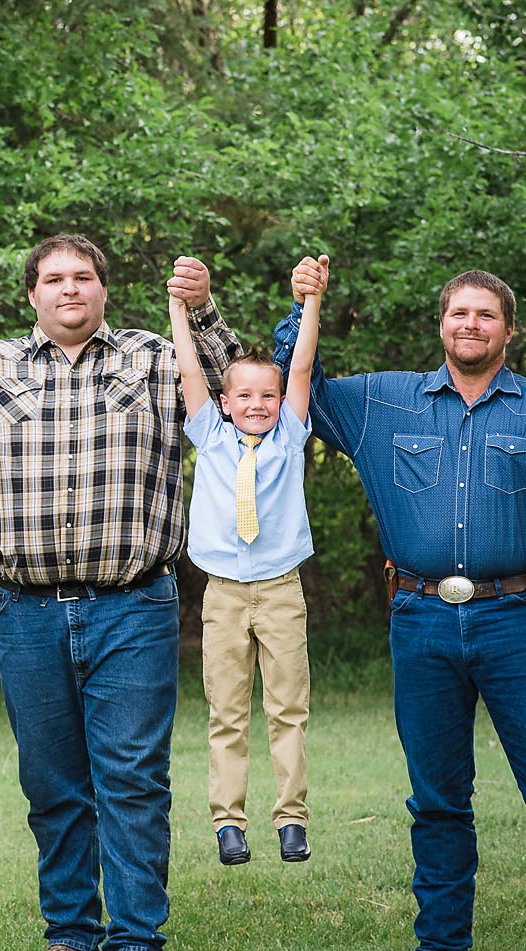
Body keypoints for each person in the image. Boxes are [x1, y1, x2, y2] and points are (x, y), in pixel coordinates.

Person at [271, 261, 526, 951]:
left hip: (520, 624)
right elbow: (296, 386)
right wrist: (304, 305)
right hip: (420, 622)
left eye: (485, 315)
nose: (469, 325)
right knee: (437, 796)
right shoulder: (383, 403)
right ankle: (440, 946)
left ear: (509, 330)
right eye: (457, 313)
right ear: (439, 324)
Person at [0, 234, 241, 951]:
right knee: (52, 781)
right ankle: (71, 931)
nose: (70, 288)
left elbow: (239, 384)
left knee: (133, 780)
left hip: (135, 606)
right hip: (27, 611)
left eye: (83, 276)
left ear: (104, 289)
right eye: (54, 278)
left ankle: (137, 942)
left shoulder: (153, 357)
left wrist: (202, 304)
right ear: (31, 295)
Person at [170, 262, 327, 868]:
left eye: (268, 394)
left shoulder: (289, 436)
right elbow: (189, 370)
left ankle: (291, 819)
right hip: (224, 593)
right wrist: (180, 314)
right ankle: (227, 822)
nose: (259, 404)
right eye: (246, 396)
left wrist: (310, 302)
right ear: (227, 402)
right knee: (226, 711)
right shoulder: (209, 435)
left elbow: (304, 367)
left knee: (288, 708)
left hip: (281, 589)